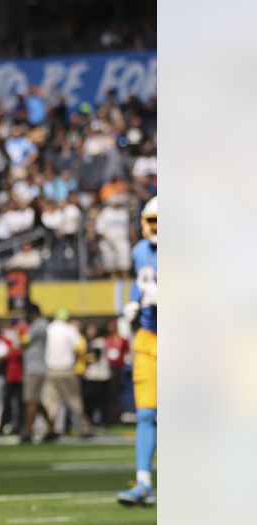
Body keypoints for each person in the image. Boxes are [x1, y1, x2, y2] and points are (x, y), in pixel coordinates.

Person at [118, 196, 157, 506]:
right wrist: (132, 302)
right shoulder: (140, 251)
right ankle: (143, 480)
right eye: (152, 221)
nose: (155, 228)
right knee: (145, 412)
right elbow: (139, 284)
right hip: (148, 339)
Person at [41, 309, 93, 437]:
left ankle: (48, 428)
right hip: (66, 369)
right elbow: (77, 349)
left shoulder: (48, 329)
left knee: (50, 402)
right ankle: (84, 428)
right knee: (75, 401)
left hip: (50, 369)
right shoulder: (70, 329)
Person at [18, 303, 56, 443]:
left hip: (34, 368)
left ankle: (28, 431)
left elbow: (23, 341)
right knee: (37, 401)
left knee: (31, 401)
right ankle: (52, 428)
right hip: (36, 367)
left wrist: (20, 330)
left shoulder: (38, 325)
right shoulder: (41, 325)